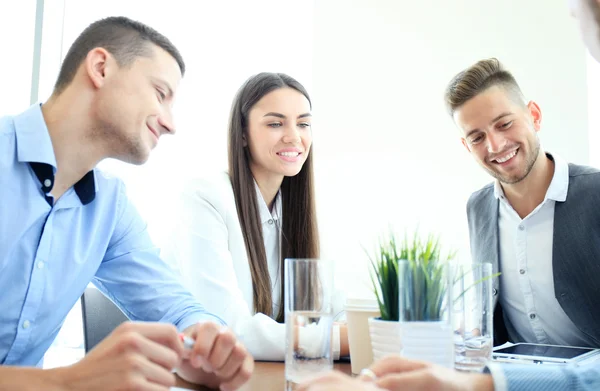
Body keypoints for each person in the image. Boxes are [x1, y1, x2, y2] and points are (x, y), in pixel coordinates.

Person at [299, 0, 600, 390]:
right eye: (477, 136)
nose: (495, 144)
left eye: (504, 124)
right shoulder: (478, 208)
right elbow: (489, 326)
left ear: (535, 116)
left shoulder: (594, 194)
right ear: (466, 145)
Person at [0, 16, 252, 390]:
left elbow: (176, 310)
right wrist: (68, 381)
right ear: (101, 68)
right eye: (160, 93)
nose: (170, 124)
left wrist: (206, 347)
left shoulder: (109, 209)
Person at [164, 72, 349, 361]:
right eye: (275, 123)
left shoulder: (297, 210)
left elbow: (335, 307)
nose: (293, 136)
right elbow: (228, 329)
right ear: (242, 134)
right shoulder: (205, 197)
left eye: (303, 123)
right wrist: (338, 339)